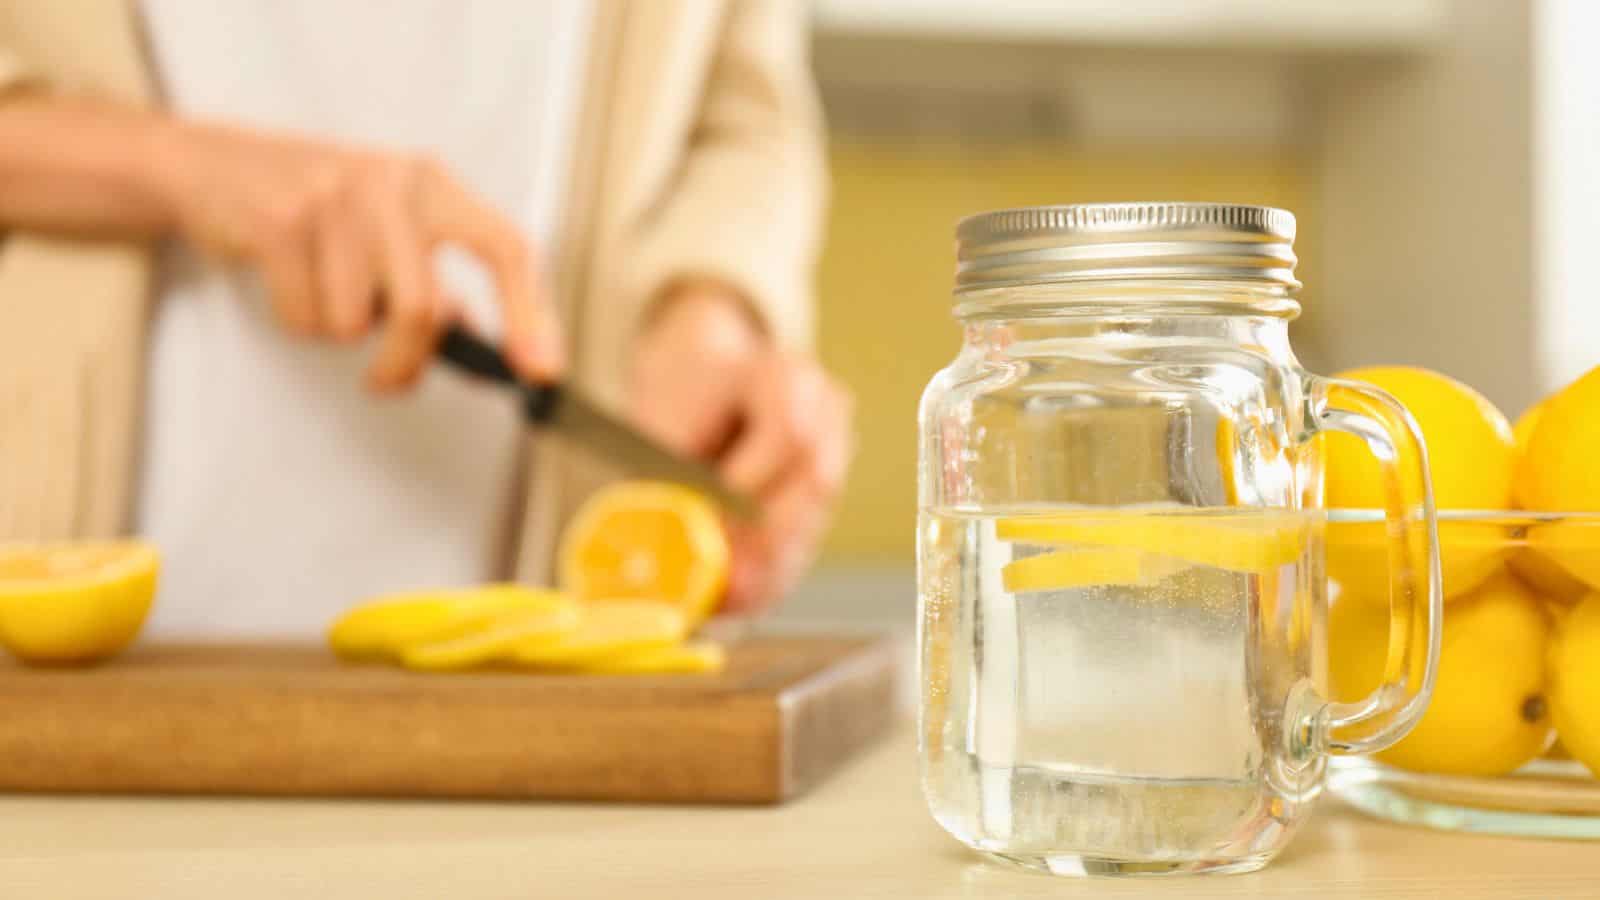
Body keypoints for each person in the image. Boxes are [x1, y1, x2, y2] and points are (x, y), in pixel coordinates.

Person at [0, 1, 851, 636]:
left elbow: (743, 119)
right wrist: (186, 170)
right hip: (98, 616)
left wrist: (709, 310)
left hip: (528, 663)